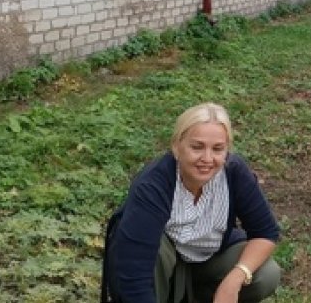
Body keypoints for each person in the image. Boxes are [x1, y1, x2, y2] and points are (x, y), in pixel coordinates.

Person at [101, 103, 281, 303]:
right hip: (155, 269)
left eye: (217, 149)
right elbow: (135, 271)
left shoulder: (234, 172)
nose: (207, 158)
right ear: (177, 147)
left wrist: (235, 278)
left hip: (206, 263)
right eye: (197, 147)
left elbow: (266, 232)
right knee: (158, 251)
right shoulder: (153, 185)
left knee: (266, 274)